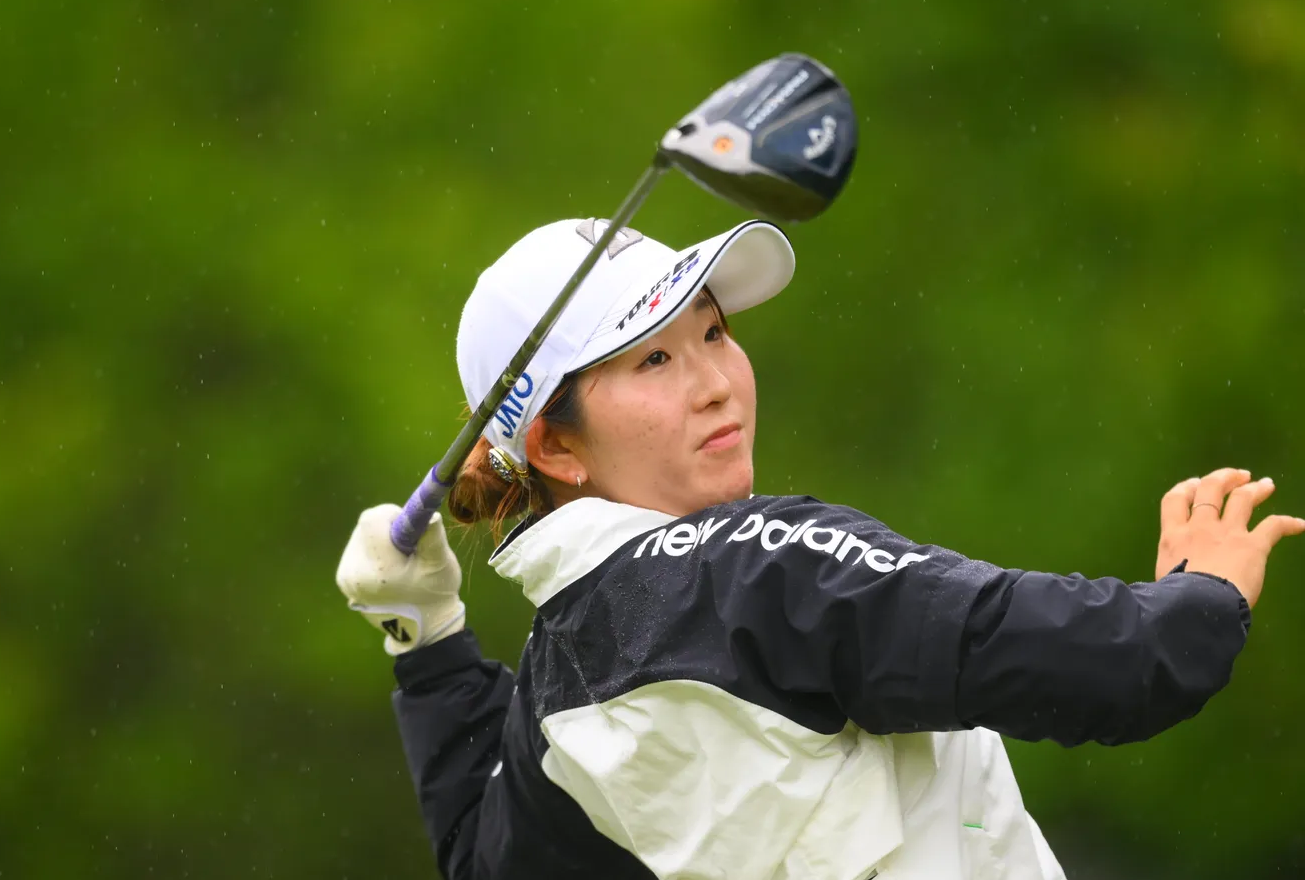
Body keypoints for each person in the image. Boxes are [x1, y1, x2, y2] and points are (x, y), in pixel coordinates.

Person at [335, 217, 1302, 880]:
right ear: (554, 446)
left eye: (714, 331)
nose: (717, 382)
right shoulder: (759, 572)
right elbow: (1116, 669)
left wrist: (427, 641)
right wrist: (1201, 596)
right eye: (655, 358)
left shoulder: (555, 705)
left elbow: (480, 854)